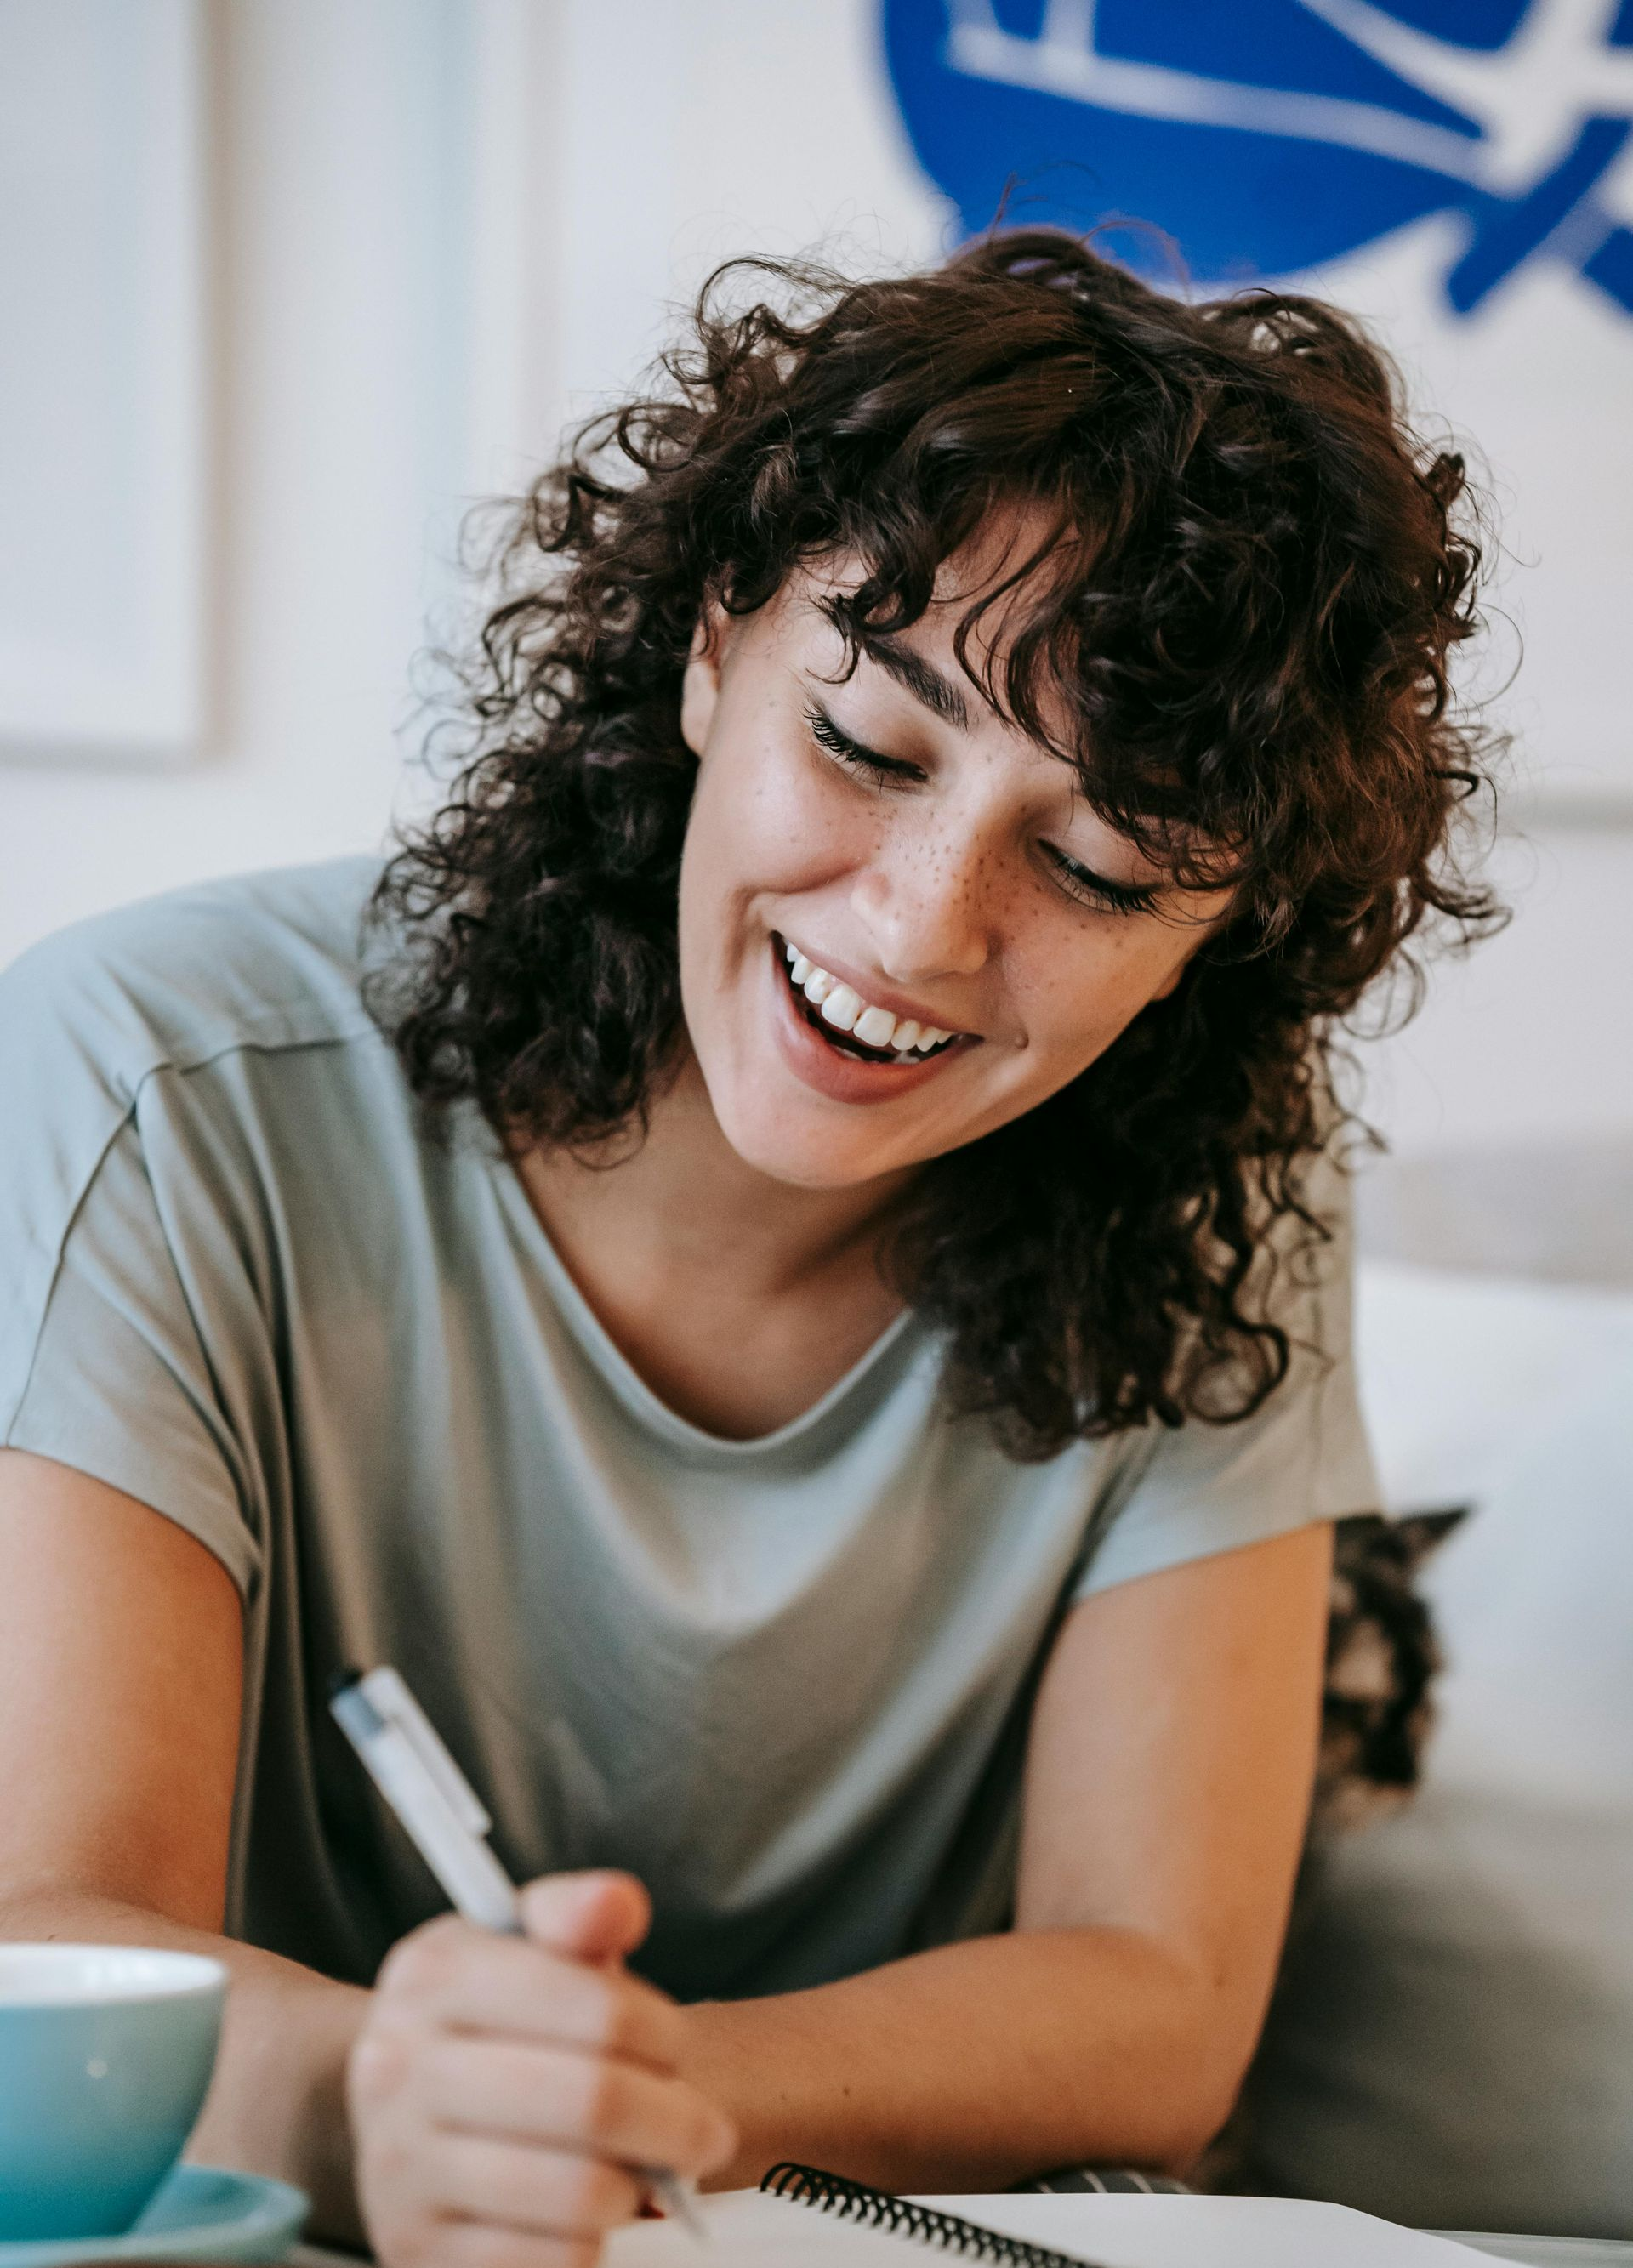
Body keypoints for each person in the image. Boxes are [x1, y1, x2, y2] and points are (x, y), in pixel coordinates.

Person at [0, 231, 1498, 2265]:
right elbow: (54, 1951)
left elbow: (1154, 1992)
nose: (914, 928)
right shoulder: (157, 1084)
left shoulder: (1219, 1189)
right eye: (870, 747)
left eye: (1098, 866)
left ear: (1215, 936)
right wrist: (388, 2108)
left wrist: (640, 2093)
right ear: (711, 645)